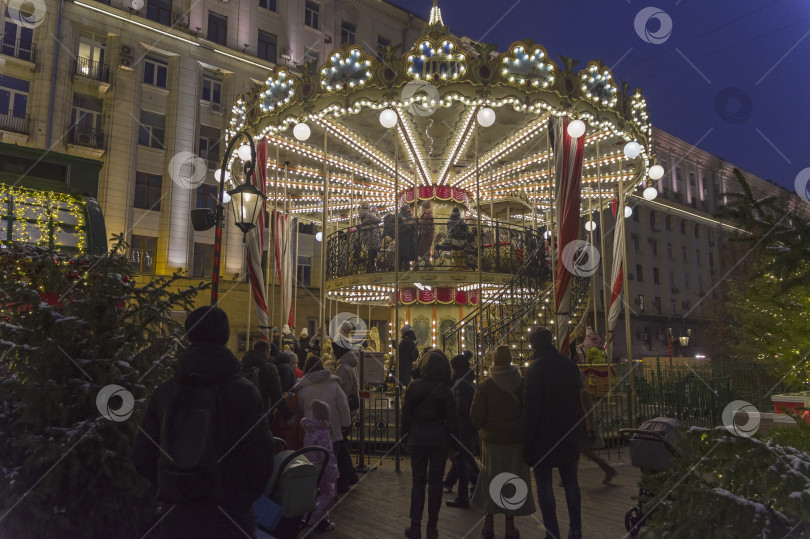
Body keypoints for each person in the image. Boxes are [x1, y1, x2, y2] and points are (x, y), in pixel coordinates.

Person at [133, 306, 274, 539]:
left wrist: (173, 487)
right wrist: (240, 495)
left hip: (177, 516)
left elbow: (143, 456)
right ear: (225, 336)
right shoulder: (244, 391)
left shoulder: (165, 393)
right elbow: (260, 457)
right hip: (230, 515)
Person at [523, 326, 584, 539]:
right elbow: (577, 400)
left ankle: (552, 532)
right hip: (568, 431)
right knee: (571, 483)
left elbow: (532, 410)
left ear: (534, 344)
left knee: (545, 485)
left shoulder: (534, 369)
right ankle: (576, 529)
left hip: (543, 436)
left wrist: (526, 442)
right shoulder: (569, 365)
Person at [471, 345, 535, 539]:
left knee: (491, 478)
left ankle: (488, 523)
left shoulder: (485, 385)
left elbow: (475, 417)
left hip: (492, 442)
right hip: (516, 441)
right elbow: (529, 412)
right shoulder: (522, 383)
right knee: (513, 479)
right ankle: (509, 525)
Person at [402, 349, 458, 539]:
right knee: (435, 482)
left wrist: (404, 437)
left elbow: (405, 415)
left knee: (418, 481)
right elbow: (452, 420)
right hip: (439, 439)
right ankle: (432, 526)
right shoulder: (446, 390)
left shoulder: (413, 386)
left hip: (417, 437)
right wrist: (454, 443)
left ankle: (415, 525)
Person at [295, 356, 352, 495]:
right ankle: (331, 494)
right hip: (332, 431)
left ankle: (313, 495)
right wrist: (346, 424)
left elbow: (301, 409)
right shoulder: (333, 384)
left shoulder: (303, 387)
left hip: (312, 433)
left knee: (313, 465)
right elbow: (343, 406)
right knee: (332, 464)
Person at [301, 400, 340, 532]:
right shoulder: (322, 432)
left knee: (317, 494)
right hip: (321, 469)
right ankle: (309, 520)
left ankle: (323, 522)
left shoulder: (309, 428)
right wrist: (333, 471)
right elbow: (328, 454)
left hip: (309, 466)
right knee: (329, 495)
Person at [445, 353, 478, 509]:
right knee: (467, 460)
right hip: (468, 428)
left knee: (461, 461)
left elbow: (461, 408)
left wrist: (453, 425)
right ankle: (476, 487)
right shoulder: (468, 382)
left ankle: (463, 495)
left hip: (462, 429)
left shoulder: (460, 384)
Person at [242, 340, 294, 422]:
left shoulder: (242, 364)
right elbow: (276, 394)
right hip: (261, 411)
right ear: (267, 351)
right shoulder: (270, 368)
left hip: (243, 410)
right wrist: (288, 415)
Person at [579, 374, 617, 484]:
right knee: (585, 451)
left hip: (584, 426)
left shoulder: (583, 393)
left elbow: (588, 412)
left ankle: (607, 469)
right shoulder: (576, 392)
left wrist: (589, 427)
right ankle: (607, 469)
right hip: (580, 425)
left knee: (584, 451)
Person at [334, 346, 360, 492]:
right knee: (343, 444)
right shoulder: (350, 365)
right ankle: (350, 475)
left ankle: (344, 479)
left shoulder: (343, 368)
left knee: (341, 445)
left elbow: (342, 391)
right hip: (351, 408)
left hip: (345, 410)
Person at [359, 201, 382, 273]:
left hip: (368, 237)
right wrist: (377, 212)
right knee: (373, 253)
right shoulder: (368, 215)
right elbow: (379, 220)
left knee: (370, 253)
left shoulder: (364, 215)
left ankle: (370, 268)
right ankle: (371, 268)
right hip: (372, 237)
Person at [398, 203, 416, 271]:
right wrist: (402, 219)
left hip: (409, 238)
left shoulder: (411, 216)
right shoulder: (401, 215)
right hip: (403, 238)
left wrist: (412, 223)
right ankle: (400, 269)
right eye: (407, 208)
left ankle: (406, 268)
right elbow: (395, 217)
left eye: (409, 208)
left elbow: (414, 224)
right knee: (402, 255)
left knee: (407, 255)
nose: (408, 209)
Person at [417, 199, 435, 268]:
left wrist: (424, 233)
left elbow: (428, 225)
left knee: (422, 251)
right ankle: (427, 265)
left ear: (424, 207)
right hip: (425, 234)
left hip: (426, 235)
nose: (421, 208)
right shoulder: (426, 214)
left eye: (422, 206)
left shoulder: (428, 214)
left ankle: (428, 264)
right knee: (424, 250)